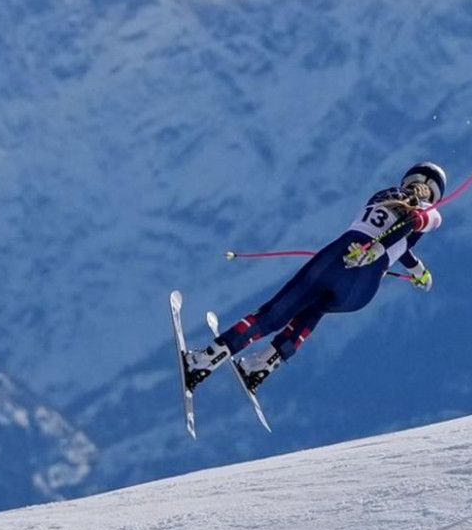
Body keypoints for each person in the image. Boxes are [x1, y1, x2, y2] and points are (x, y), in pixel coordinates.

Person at [184, 161, 447, 394]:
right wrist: (418, 272)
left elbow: (407, 222)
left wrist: (376, 249)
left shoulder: (386, 194)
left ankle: (205, 361)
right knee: (315, 310)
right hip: (363, 289)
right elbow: (409, 230)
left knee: (274, 314)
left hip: (342, 256)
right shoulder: (432, 214)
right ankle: (260, 366)